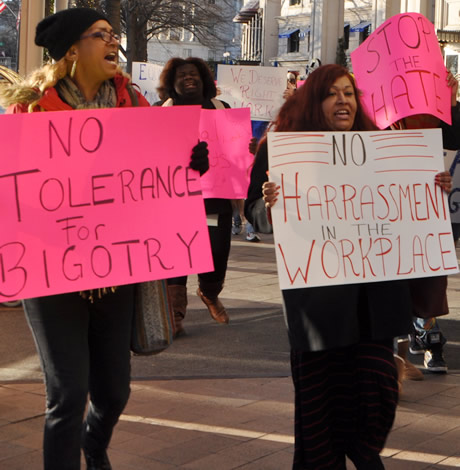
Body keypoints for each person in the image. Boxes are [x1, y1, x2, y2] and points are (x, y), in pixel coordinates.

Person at [0, 8, 208, 470]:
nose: (114, 41)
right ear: (72, 50)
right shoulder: (31, 108)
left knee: (114, 391)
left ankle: (94, 446)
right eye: (101, 35)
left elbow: (163, 175)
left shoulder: (135, 104)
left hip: (115, 270)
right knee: (67, 393)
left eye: (113, 34)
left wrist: (192, 162)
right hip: (52, 271)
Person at [253, 64, 452, 469]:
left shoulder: (383, 146)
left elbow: (411, 209)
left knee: (376, 391)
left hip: (375, 302)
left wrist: (434, 188)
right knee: (319, 403)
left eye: (349, 93)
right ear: (314, 101)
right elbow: (254, 215)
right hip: (318, 302)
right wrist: (269, 202)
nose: (343, 100)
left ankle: (364, 455)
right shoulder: (284, 148)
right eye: (332, 93)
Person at [156, 57, 237, 334]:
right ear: (171, 82)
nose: (188, 78)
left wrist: (245, 148)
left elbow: (233, 154)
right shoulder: (159, 112)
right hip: (174, 202)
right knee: (176, 254)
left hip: (213, 201)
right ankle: (174, 316)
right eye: (182, 75)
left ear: (203, 80)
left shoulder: (221, 109)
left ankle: (209, 292)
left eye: (194, 74)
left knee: (215, 251)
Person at [392, 71, 460, 377]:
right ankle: (406, 346)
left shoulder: (433, 112)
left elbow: (454, 140)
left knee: (429, 279)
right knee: (395, 282)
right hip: (384, 211)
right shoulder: (376, 114)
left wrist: (451, 104)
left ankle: (430, 338)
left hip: (426, 209)